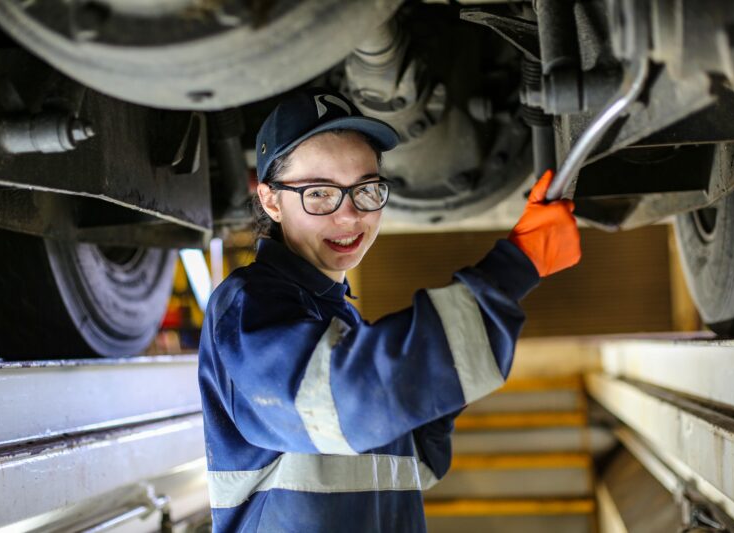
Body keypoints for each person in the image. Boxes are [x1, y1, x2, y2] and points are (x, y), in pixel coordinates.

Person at [198, 87, 581, 532]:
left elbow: (413, 467)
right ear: (270, 200)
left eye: (365, 190)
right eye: (320, 193)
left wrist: (430, 391)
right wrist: (517, 265)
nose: (350, 217)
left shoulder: (337, 323)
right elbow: (349, 403)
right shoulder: (246, 307)